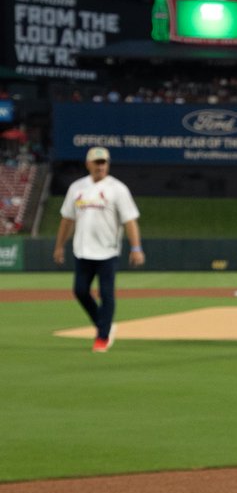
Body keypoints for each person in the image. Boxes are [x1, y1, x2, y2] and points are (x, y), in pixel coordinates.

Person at [53, 146, 144, 353]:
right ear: (88, 164)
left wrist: (136, 247)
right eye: (97, 162)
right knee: (80, 291)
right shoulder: (77, 188)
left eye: (104, 162)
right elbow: (67, 219)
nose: (100, 166)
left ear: (108, 165)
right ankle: (104, 325)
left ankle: (102, 337)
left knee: (106, 293)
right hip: (82, 250)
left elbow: (130, 221)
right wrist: (59, 246)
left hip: (107, 251)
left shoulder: (117, 189)